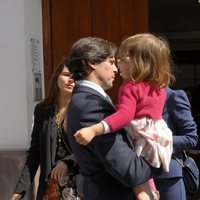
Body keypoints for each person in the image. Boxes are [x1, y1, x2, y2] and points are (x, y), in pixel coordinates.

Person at [73, 33, 174, 199]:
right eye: (113, 61)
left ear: (137, 62)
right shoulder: (158, 88)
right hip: (157, 138)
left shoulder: (129, 87)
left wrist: (95, 129)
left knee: (141, 183)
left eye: (120, 60)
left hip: (140, 138)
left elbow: (126, 116)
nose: (116, 67)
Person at [10, 59, 78, 199]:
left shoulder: (83, 109)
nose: (71, 80)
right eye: (66, 75)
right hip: (50, 187)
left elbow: (91, 147)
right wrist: (20, 190)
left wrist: (68, 161)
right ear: (56, 77)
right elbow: (35, 153)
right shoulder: (42, 110)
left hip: (78, 185)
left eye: (75, 77)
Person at [154, 86, 198, 200]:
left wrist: (159, 141)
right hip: (138, 178)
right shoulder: (133, 96)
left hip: (168, 177)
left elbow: (191, 137)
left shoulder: (173, 96)